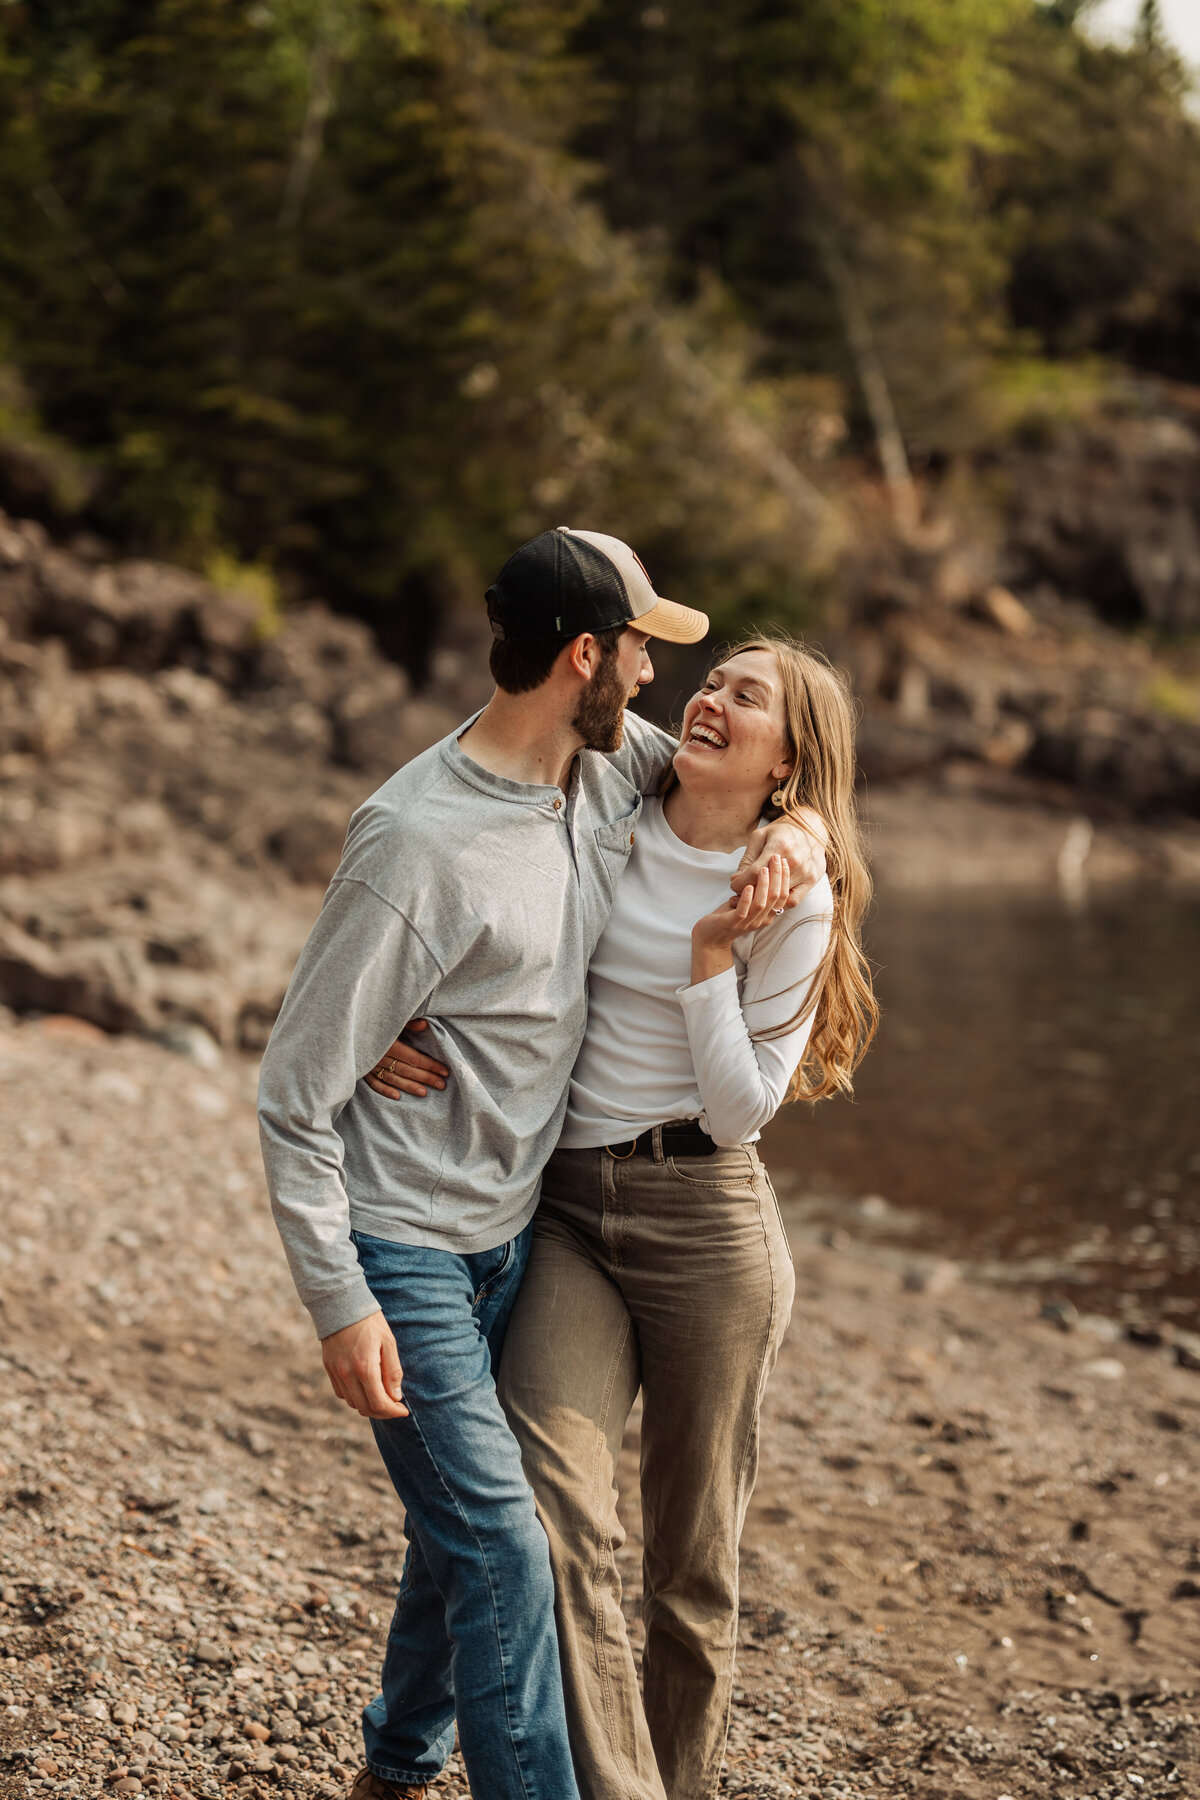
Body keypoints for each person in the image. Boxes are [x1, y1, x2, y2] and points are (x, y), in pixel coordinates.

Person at [256, 528, 825, 1800]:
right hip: (405, 1241)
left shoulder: (608, 767)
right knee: (509, 1543)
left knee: (460, 1536)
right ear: (585, 657)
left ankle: (396, 1765)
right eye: (639, 648)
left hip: (521, 1228)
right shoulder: (418, 840)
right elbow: (293, 1092)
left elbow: (771, 781)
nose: (662, 680)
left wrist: (811, 836)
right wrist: (338, 1300)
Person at [369, 633, 876, 1800]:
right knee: (552, 1517)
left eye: (748, 698)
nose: (712, 700)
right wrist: (386, 1012)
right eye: (715, 682)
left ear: (790, 758)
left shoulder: (790, 889)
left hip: (708, 1221)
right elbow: (469, 831)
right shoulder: (616, 793)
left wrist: (715, 949)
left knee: (691, 1570)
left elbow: (744, 1109)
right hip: (567, 1212)